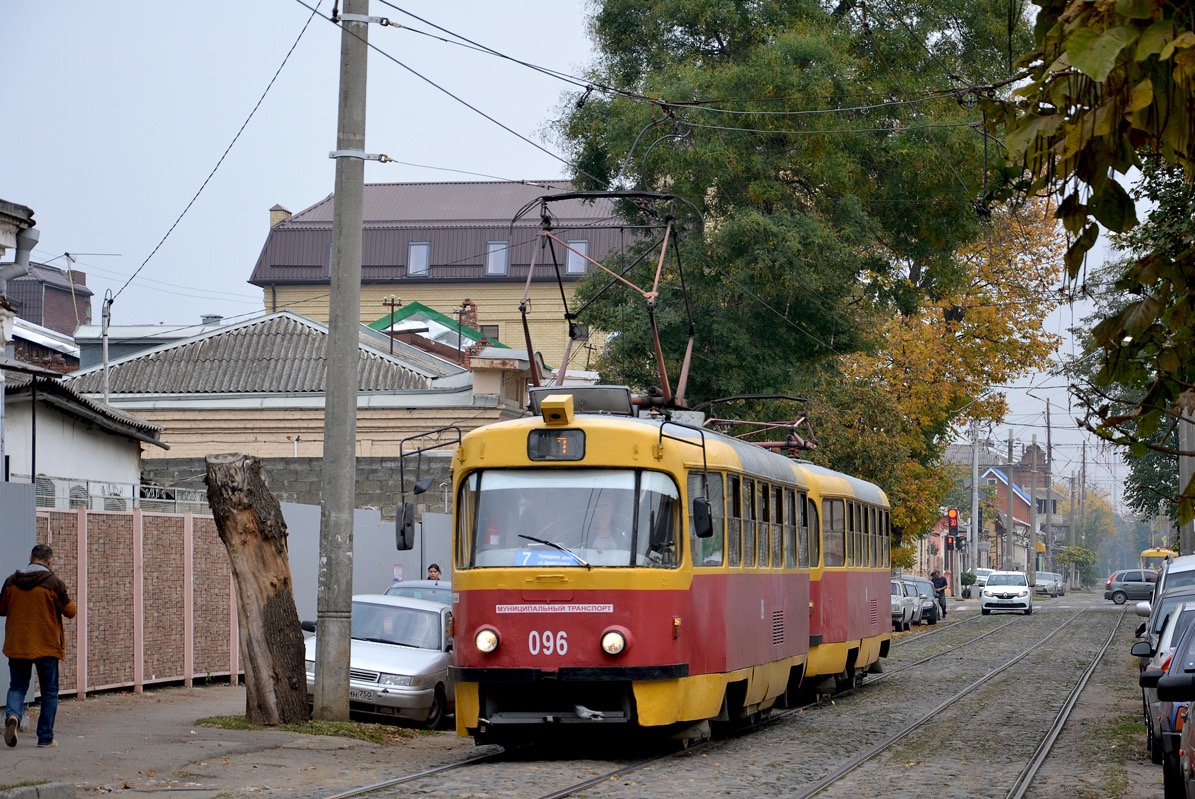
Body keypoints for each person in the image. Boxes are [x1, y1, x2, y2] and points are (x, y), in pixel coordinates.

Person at [2, 544, 77, 749]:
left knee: (17, 686)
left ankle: (13, 716)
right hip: (46, 646)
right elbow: (70, 611)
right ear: (50, 561)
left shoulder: (11, 581)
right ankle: (45, 738)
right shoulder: (54, 583)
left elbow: (1, 608)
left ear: (30, 558)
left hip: (18, 645)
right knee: (49, 692)